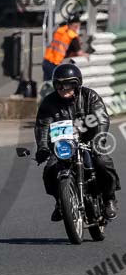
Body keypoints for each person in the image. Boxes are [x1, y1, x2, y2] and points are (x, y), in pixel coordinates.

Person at [34, 63, 120, 221]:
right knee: (49, 169)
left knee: (102, 162)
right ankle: (61, 202)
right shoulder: (49, 102)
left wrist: (99, 139)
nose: (63, 89)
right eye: (59, 85)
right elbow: (43, 125)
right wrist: (43, 147)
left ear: (77, 84)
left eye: (67, 85)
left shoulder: (90, 96)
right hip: (63, 146)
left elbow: (101, 117)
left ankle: (109, 198)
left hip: (88, 142)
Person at [42, 14, 83, 81]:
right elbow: (80, 53)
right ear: (77, 25)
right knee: (56, 86)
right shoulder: (72, 36)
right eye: (77, 26)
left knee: (47, 86)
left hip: (46, 61)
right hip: (55, 65)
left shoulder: (60, 30)